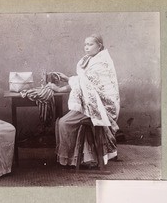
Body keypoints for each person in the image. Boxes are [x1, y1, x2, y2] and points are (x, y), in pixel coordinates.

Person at [46, 34, 120, 168]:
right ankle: (82, 158)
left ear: (100, 46)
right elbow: (84, 82)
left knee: (63, 123)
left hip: (100, 107)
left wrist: (61, 87)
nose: (86, 47)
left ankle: (75, 160)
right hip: (91, 103)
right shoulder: (89, 60)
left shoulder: (100, 63)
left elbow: (85, 84)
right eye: (85, 44)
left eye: (90, 44)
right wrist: (66, 80)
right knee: (61, 122)